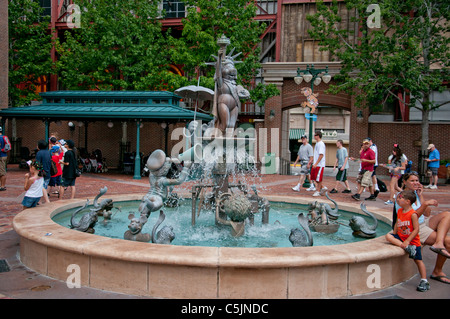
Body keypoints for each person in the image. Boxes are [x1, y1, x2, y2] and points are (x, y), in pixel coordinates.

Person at [396, 172, 450, 284]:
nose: (416, 183)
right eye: (412, 181)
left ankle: (438, 243)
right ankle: (437, 271)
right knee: (448, 242)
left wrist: (421, 196)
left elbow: (427, 213)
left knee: (447, 215)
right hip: (412, 227)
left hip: (423, 223)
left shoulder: (415, 194)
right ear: (405, 182)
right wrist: (425, 204)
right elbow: (410, 218)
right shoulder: (401, 197)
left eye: (417, 180)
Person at [386, 190, 430, 292]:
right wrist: (395, 233)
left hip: (413, 241)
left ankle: (424, 280)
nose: (397, 200)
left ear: (408, 201)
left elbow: (416, 229)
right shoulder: (400, 211)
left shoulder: (413, 214)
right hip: (402, 238)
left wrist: (408, 241)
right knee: (388, 236)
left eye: (400, 198)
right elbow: (397, 222)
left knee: (418, 261)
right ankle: (407, 248)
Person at [311, 131, 327, 197]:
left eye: (315, 135)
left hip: (320, 164)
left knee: (318, 178)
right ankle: (323, 187)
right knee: (314, 177)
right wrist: (312, 161)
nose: (314, 136)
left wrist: (316, 163)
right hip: (316, 164)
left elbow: (321, 155)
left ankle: (318, 191)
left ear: (318, 136)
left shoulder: (321, 144)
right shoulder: (317, 143)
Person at [35, 139, 51, 204]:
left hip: (42, 172)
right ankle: (40, 201)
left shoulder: (39, 153)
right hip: (48, 172)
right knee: (44, 186)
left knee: (41, 187)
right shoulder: (48, 152)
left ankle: (46, 201)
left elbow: (37, 164)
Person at [0, 126, 7, 191]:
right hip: (4, 155)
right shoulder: (4, 137)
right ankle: (2, 185)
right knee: (2, 170)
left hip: (1, 156)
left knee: (2, 171)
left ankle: (2, 186)